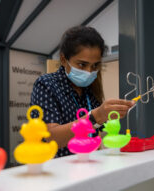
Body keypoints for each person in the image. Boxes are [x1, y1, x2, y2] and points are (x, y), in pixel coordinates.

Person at [30, 26, 135, 157]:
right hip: (57, 170)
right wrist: (95, 116)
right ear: (63, 60)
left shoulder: (89, 90)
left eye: (95, 65)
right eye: (82, 65)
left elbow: (97, 131)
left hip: (86, 165)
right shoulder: (47, 85)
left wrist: (110, 116)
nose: (89, 72)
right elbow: (52, 137)